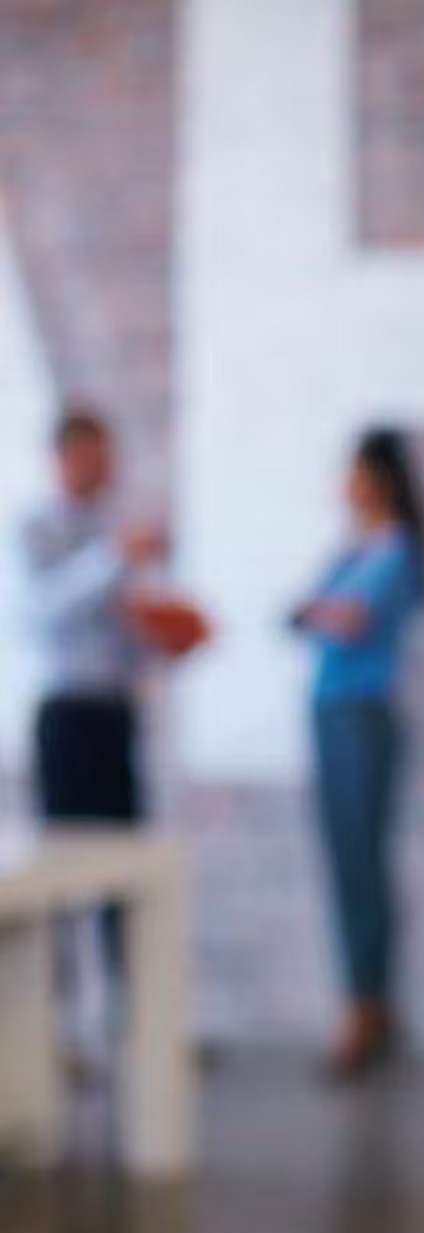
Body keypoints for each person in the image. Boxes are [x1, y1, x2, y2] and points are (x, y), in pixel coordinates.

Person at [20, 407, 195, 1031]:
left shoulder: (116, 532)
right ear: (65, 458)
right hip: (66, 715)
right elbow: (44, 608)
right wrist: (113, 557)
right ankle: (54, 1026)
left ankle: (136, 1021)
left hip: (115, 715)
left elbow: (126, 629)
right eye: (93, 456)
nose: (105, 470)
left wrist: (167, 635)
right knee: (60, 872)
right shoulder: (35, 527)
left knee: (125, 867)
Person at [292, 427, 424, 1083]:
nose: (342, 486)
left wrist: (317, 610)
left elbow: (341, 618)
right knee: (349, 864)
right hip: (330, 713)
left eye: (351, 473)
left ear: (376, 478)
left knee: (361, 865)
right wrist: (316, 609)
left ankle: (365, 1005)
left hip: (361, 718)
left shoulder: (394, 550)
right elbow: (301, 612)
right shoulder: (353, 551)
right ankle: (370, 999)